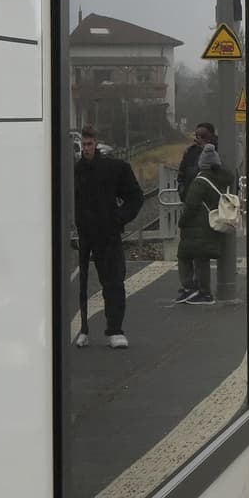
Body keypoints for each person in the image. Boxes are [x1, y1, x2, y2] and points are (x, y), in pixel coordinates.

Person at [73, 129, 145, 345]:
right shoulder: (75, 171)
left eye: (89, 144)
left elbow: (134, 196)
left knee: (112, 280)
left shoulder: (114, 169)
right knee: (82, 282)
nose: (86, 149)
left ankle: (114, 329)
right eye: (84, 145)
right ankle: (84, 329)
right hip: (84, 232)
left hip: (107, 233)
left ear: (96, 143)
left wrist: (118, 219)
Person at [175, 125, 235, 302]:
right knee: (202, 257)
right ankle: (201, 290)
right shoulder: (224, 177)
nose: (198, 138)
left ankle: (197, 290)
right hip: (213, 219)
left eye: (202, 135)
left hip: (197, 223)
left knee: (187, 256)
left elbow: (191, 204)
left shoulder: (200, 181)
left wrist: (182, 222)